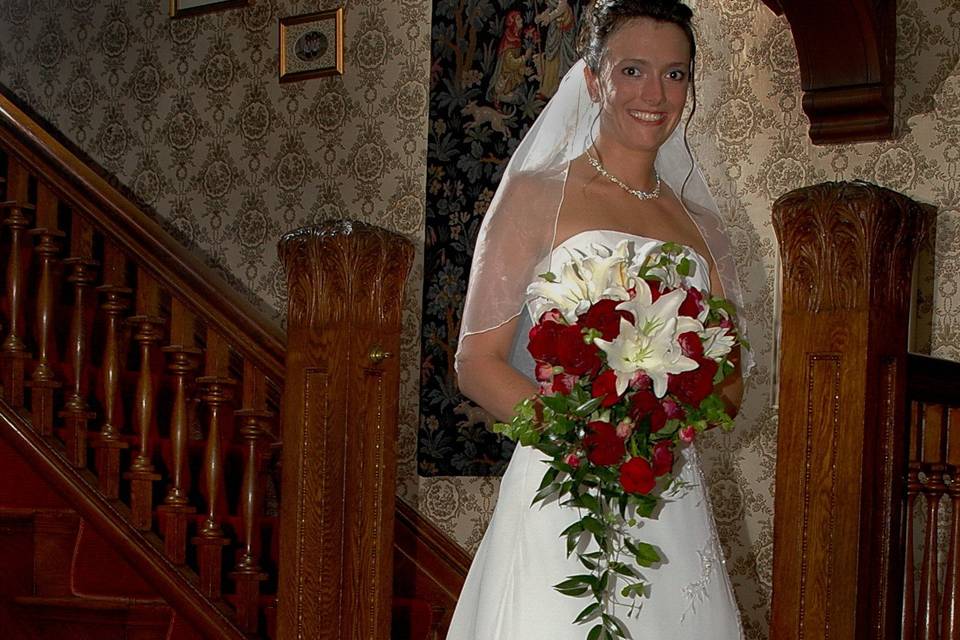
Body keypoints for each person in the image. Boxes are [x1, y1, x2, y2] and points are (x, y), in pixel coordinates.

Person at [447, 1, 749, 638]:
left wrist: (664, 414)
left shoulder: (704, 229)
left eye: (675, 75)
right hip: (563, 484)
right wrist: (584, 438)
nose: (655, 94)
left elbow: (728, 385)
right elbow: (475, 363)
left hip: (666, 489)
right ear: (592, 79)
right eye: (633, 70)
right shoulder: (536, 196)